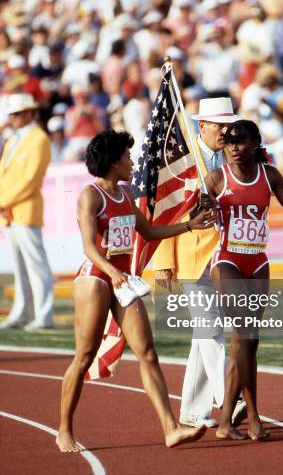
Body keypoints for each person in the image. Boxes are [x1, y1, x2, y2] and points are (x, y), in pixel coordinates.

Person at [154, 96, 283, 428]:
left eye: (230, 125)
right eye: (221, 126)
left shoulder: (242, 146)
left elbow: (275, 179)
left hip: (242, 255)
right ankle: (232, 399)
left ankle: (192, 411)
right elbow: (164, 207)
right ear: (203, 126)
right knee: (210, 329)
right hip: (194, 255)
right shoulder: (181, 159)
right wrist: (163, 259)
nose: (228, 133)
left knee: (204, 333)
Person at [57, 129, 216, 453]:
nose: (132, 162)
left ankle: (171, 428)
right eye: (127, 157)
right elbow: (89, 246)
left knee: (147, 352)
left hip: (122, 279)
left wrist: (190, 225)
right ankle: (64, 431)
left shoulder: (126, 195)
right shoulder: (91, 195)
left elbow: (148, 231)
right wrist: (114, 272)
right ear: (113, 162)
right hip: (97, 278)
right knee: (85, 356)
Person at [206, 119, 283, 440]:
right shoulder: (216, 178)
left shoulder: (268, 175)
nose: (234, 147)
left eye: (241, 141)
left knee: (247, 342)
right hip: (227, 261)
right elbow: (196, 215)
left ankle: (226, 420)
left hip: (258, 263)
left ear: (256, 143)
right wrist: (203, 209)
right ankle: (253, 415)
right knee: (245, 335)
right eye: (228, 142)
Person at [0, 94, 54, 331]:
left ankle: (44, 315)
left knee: (36, 265)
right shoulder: (13, 140)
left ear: (31, 113)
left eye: (18, 113)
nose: (14, 118)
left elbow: (32, 179)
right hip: (10, 211)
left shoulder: (39, 139)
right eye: (12, 114)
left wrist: (4, 201)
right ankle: (23, 312)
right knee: (21, 267)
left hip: (24, 209)